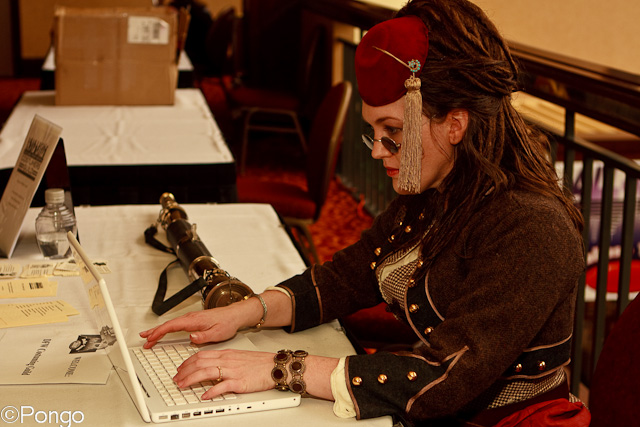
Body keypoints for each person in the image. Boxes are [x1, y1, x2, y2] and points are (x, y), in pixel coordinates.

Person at [140, 0, 591, 425]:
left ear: (456, 124)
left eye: (392, 131)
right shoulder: (438, 188)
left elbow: (446, 378)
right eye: (372, 132)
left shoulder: (534, 227)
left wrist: (282, 368)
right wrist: (244, 311)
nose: (378, 150)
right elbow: (348, 276)